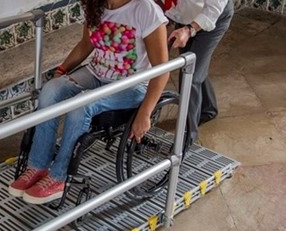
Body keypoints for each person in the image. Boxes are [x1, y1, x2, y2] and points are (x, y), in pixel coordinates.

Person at [9, 0, 169, 205]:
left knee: (81, 105)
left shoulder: (146, 10)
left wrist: (145, 112)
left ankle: (59, 176)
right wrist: (63, 70)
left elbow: (162, 69)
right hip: (97, 73)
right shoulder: (97, 4)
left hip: (133, 85)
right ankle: (38, 165)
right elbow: (87, 43)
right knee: (50, 91)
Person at [161, 0, 233, 145]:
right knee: (198, 67)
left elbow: (213, 10)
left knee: (190, 74)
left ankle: (187, 138)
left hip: (213, 19)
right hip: (185, 17)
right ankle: (208, 109)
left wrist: (189, 30)